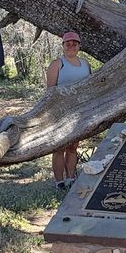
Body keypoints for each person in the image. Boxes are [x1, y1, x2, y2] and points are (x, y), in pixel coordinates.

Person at [46, 31, 91, 190]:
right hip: (60, 112)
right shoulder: (57, 64)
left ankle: (70, 178)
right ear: (63, 46)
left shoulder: (85, 64)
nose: (71, 46)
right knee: (59, 147)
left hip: (79, 112)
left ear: (79, 46)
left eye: (74, 43)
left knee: (73, 147)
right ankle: (59, 182)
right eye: (68, 43)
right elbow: (50, 92)